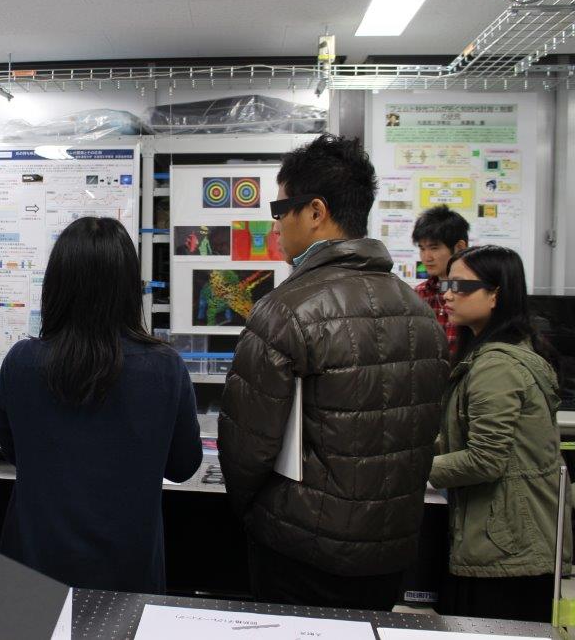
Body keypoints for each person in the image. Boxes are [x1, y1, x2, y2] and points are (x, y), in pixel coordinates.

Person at [218, 134, 449, 611]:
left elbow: (245, 450)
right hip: (390, 552)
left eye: (280, 209)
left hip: (301, 551)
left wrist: (256, 516)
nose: (276, 224)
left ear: (315, 211)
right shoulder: (418, 312)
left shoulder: (285, 311)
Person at [0, 216, 202, 594]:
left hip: (34, 571)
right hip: (128, 576)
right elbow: (183, 465)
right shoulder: (164, 367)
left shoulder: (21, 361)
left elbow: (12, 449)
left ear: (56, 284)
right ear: (129, 288)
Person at [430, 245, 571, 622]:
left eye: (461, 285)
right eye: (446, 284)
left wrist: (414, 469)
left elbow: (486, 459)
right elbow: (467, 437)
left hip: (508, 548)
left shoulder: (497, 366)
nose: (448, 295)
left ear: (496, 294)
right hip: (505, 539)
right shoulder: (494, 354)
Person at [412, 205, 470, 355]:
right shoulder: (418, 295)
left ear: (459, 247)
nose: (427, 257)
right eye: (422, 248)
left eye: (434, 248)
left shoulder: (474, 293)